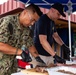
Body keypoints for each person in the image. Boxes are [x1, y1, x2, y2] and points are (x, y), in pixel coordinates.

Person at [0, 3, 44, 75]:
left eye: (35, 22)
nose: (32, 24)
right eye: (32, 20)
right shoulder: (8, 22)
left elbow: (30, 45)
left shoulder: (27, 30)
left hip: (11, 68)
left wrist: (37, 57)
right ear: (25, 12)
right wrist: (20, 52)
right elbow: (1, 45)